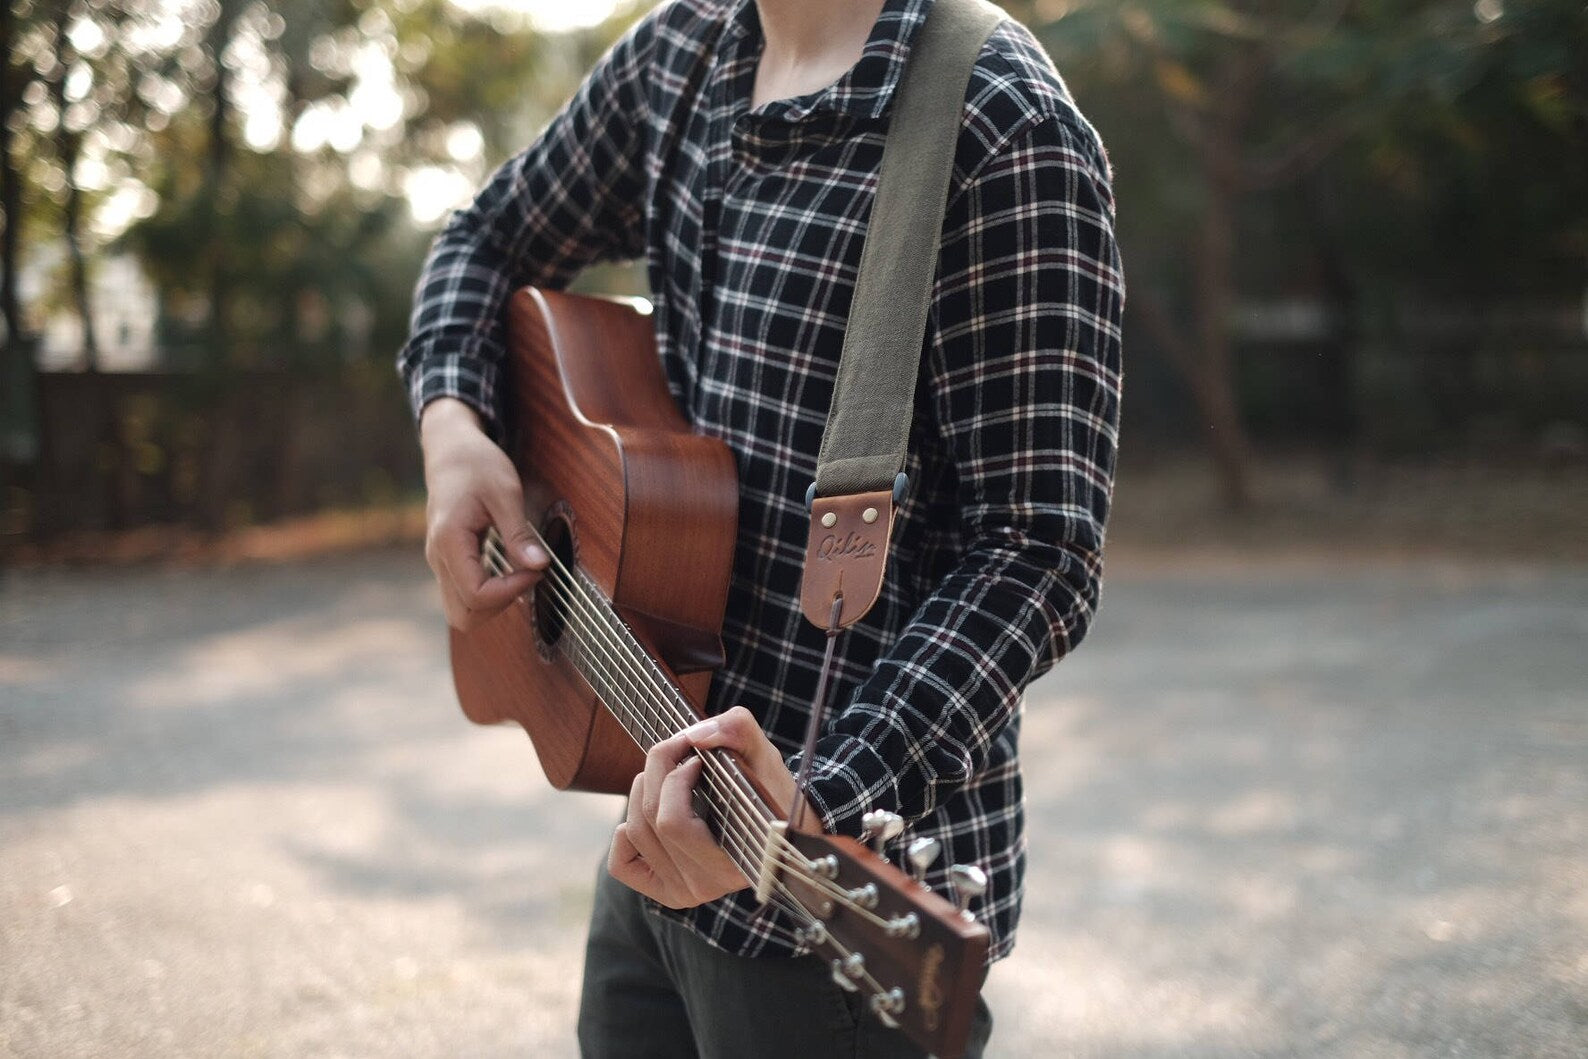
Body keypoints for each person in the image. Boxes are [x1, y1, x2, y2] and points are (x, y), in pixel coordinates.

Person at [397, 0, 1123, 1055]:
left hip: (840, 912)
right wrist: (453, 431)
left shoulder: (1000, 121)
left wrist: (818, 799)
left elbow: (1037, 553)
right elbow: (485, 237)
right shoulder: (680, 51)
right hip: (653, 841)